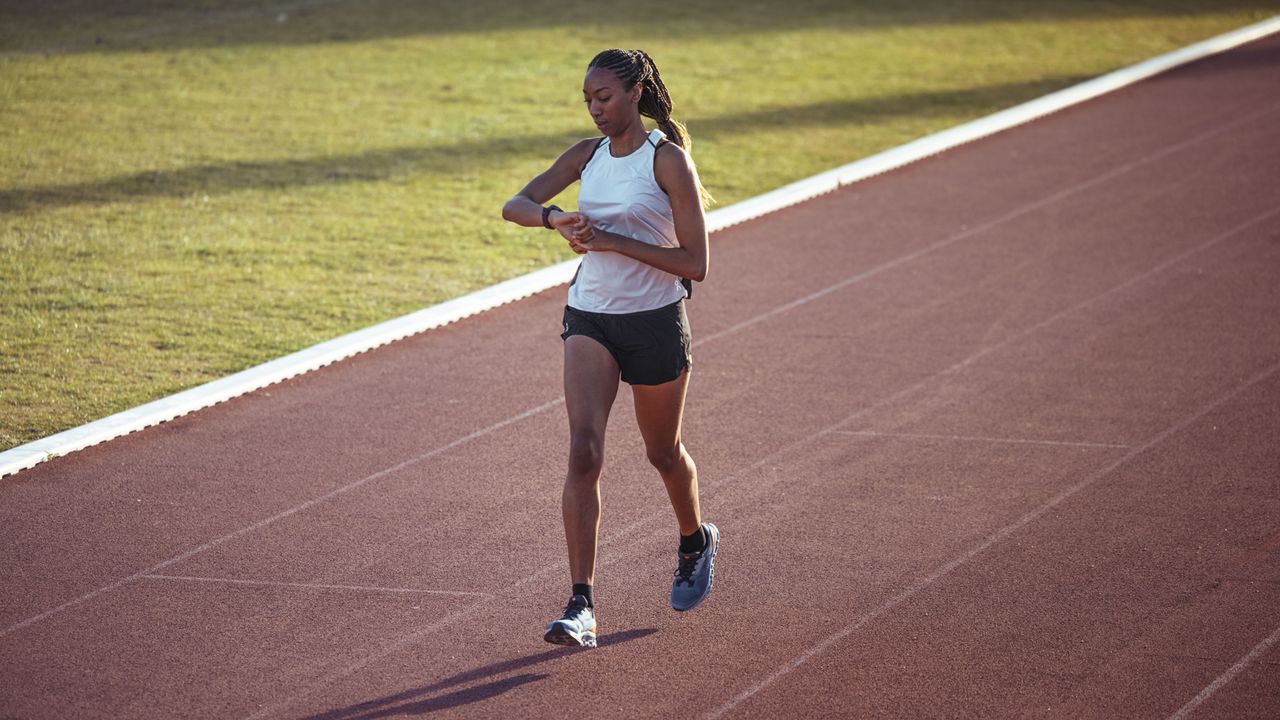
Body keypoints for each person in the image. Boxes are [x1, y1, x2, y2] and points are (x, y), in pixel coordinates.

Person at [502, 48, 718, 648]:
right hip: (591, 317)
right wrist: (554, 220)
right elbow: (512, 205)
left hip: (654, 322)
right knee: (583, 450)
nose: (596, 110)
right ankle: (582, 605)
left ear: (634, 94)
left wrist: (615, 240)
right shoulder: (587, 156)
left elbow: (695, 265)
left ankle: (694, 540)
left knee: (663, 453)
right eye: (587, 100)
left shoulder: (667, 162)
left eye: (605, 98)